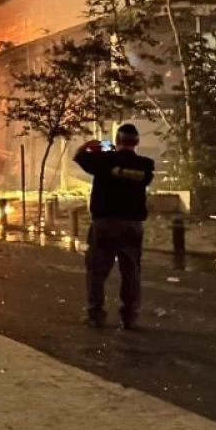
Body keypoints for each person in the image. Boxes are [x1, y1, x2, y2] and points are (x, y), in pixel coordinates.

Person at [74, 123, 155, 330]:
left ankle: (95, 314)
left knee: (96, 272)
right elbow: (146, 179)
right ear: (136, 142)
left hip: (105, 224)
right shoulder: (145, 165)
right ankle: (129, 317)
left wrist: (92, 145)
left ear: (117, 141)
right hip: (132, 226)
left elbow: (79, 156)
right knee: (131, 272)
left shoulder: (103, 161)